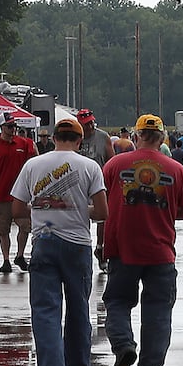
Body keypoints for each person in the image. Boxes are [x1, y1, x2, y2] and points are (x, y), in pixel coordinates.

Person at [10, 116, 108, 366]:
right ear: (79, 141)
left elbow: (17, 209)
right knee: (78, 311)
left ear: (53, 138)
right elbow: (102, 213)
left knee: (45, 312)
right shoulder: (90, 167)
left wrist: (43, 211)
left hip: (44, 242)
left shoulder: (32, 165)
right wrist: (78, 211)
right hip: (77, 245)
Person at [101, 115, 183, 366]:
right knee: (158, 312)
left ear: (136, 135)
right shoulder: (176, 169)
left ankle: (123, 346)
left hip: (122, 248)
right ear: (162, 137)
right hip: (160, 251)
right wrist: (162, 211)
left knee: (118, 302)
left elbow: (100, 202)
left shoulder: (115, 165)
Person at [0, 112, 35, 274]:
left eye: (15, 126)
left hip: (22, 194)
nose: (13, 129)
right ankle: (6, 259)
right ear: (2, 128)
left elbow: (34, 163)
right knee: (3, 229)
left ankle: (20, 255)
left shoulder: (25, 143)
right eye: (10, 126)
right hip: (2, 194)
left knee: (25, 226)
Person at [75, 108, 114, 269]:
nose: (90, 127)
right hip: (77, 184)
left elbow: (111, 161)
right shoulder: (75, 138)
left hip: (98, 184)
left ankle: (100, 247)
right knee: (77, 216)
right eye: (86, 124)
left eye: (91, 122)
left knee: (101, 217)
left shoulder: (103, 137)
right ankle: (79, 245)